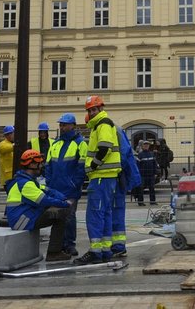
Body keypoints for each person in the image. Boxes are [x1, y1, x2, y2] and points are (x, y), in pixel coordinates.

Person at [74, 95, 122, 265]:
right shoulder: (101, 124)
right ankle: (105, 250)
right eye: (89, 110)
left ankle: (96, 251)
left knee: (95, 214)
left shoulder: (102, 124)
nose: (91, 112)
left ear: (100, 108)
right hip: (106, 177)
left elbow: (104, 147)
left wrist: (93, 165)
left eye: (94, 109)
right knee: (105, 213)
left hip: (101, 176)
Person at [4, 149, 72, 262]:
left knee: (55, 210)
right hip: (22, 221)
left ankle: (57, 249)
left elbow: (48, 190)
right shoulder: (25, 184)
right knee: (59, 215)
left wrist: (63, 197)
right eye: (39, 163)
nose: (41, 166)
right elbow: (44, 200)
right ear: (31, 164)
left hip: (25, 216)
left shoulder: (27, 181)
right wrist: (65, 204)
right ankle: (54, 253)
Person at [45, 113, 87, 258]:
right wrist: (49, 183)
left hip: (70, 189)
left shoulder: (81, 143)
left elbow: (81, 167)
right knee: (57, 217)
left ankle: (69, 244)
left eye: (65, 125)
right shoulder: (55, 144)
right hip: (56, 188)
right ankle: (60, 245)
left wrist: (75, 184)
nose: (62, 127)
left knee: (69, 217)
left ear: (73, 126)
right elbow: (48, 165)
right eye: (61, 125)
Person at [111, 125, 141, 259]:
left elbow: (123, 154)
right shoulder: (113, 129)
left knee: (114, 211)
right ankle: (116, 246)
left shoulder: (111, 129)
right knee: (112, 212)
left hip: (114, 178)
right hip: (114, 177)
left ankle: (117, 246)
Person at [0, 125, 16, 227]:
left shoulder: (10, 144)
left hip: (12, 177)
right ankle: (6, 216)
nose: (14, 135)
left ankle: (7, 216)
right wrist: (16, 145)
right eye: (13, 133)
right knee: (12, 198)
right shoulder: (3, 144)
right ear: (8, 135)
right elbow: (7, 149)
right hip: (7, 178)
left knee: (12, 197)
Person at [135, 140, 157, 206]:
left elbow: (154, 164)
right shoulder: (140, 155)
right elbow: (137, 165)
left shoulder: (152, 154)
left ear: (149, 146)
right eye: (145, 145)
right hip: (142, 175)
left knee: (152, 188)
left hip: (151, 174)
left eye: (147, 145)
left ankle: (152, 201)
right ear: (142, 146)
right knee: (141, 189)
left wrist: (155, 173)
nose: (146, 146)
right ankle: (140, 202)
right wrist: (138, 174)